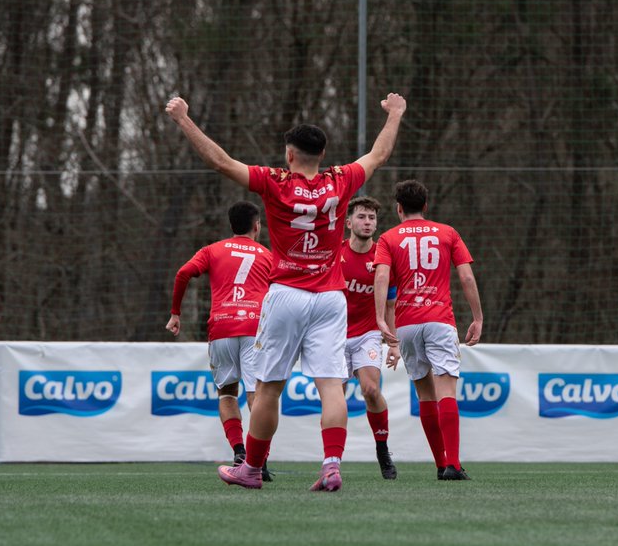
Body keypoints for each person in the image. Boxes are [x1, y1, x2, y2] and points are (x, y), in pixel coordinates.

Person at [165, 91, 407, 492]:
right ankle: (331, 466)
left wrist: (183, 119)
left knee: (269, 387)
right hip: (332, 299)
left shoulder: (274, 182)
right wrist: (395, 113)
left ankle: (252, 469)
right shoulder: (341, 179)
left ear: (290, 155)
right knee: (331, 385)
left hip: (286, 296)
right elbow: (378, 154)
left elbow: (219, 161)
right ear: (323, 153)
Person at [374, 179, 483, 481]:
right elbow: (467, 279)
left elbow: (381, 277)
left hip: (407, 325)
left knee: (424, 395)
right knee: (446, 390)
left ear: (398, 209)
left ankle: (440, 463)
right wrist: (477, 317)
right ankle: (453, 464)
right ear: (425, 206)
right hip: (439, 320)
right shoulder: (447, 233)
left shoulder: (387, 238)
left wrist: (381, 318)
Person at [167, 201, 273, 477]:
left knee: (227, 392)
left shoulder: (213, 250)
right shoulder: (266, 255)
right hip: (254, 328)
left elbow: (183, 273)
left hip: (222, 327)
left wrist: (176, 313)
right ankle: (259, 459)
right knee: (257, 394)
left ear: (231, 226)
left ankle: (239, 451)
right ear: (256, 225)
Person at [340, 196, 399, 479]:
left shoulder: (382, 259)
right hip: (334, 337)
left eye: (372, 218)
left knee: (370, 391)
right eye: (361, 217)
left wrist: (394, 342)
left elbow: (390, 305)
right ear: (349, 223)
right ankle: (332, 459)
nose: (367, 222)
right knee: (334, 398)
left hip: (367, 334)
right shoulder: (334, 255)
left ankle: (382, 450)